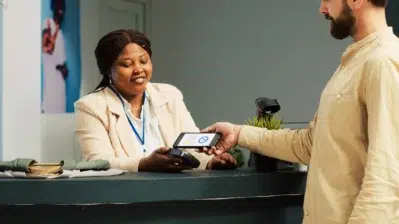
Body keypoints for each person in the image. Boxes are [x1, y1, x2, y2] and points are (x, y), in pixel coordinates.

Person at [200, 0, 399, 223]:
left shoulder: (383, 62)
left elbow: (387, 175)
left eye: (327, 0)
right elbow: (311, 145)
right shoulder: (355, 62)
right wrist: (240, 133)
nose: (322, 9)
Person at [74, 29, 237, 172]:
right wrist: (144, 164)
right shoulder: (90, 106)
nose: (138, 69)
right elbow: (97, 162)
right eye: (127, 64)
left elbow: (191, 150)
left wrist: (210, 162)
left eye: (144, 61)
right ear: (108, 70)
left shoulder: (169, 95)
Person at [42, 0, 68, 113]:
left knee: (60, 113)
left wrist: (64, 69)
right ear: (53, 8)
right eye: (59, 8)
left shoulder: (61, 35)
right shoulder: (47, 24)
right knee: (50, 110)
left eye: (63, 9)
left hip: (60, 84)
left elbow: (63, 63)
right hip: (51, 79)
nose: (61, 12)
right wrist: (55, 32)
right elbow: (47, 48)